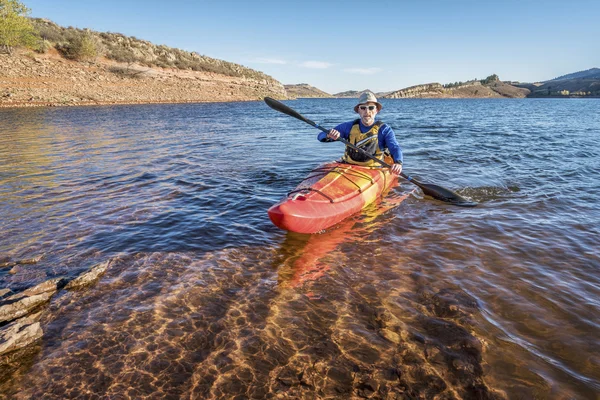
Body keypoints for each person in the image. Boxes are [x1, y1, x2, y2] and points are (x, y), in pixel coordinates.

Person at [317, 91, 403, 175]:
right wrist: (328, 135)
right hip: (348, 165)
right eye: (363, 108)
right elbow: (321, 137)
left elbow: (395, 147)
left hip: (373, 169)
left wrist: (398, 162)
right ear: (358, 110)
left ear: (376, 110)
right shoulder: (348, 126)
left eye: (371, 108)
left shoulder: (384, 130)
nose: (367, 111)